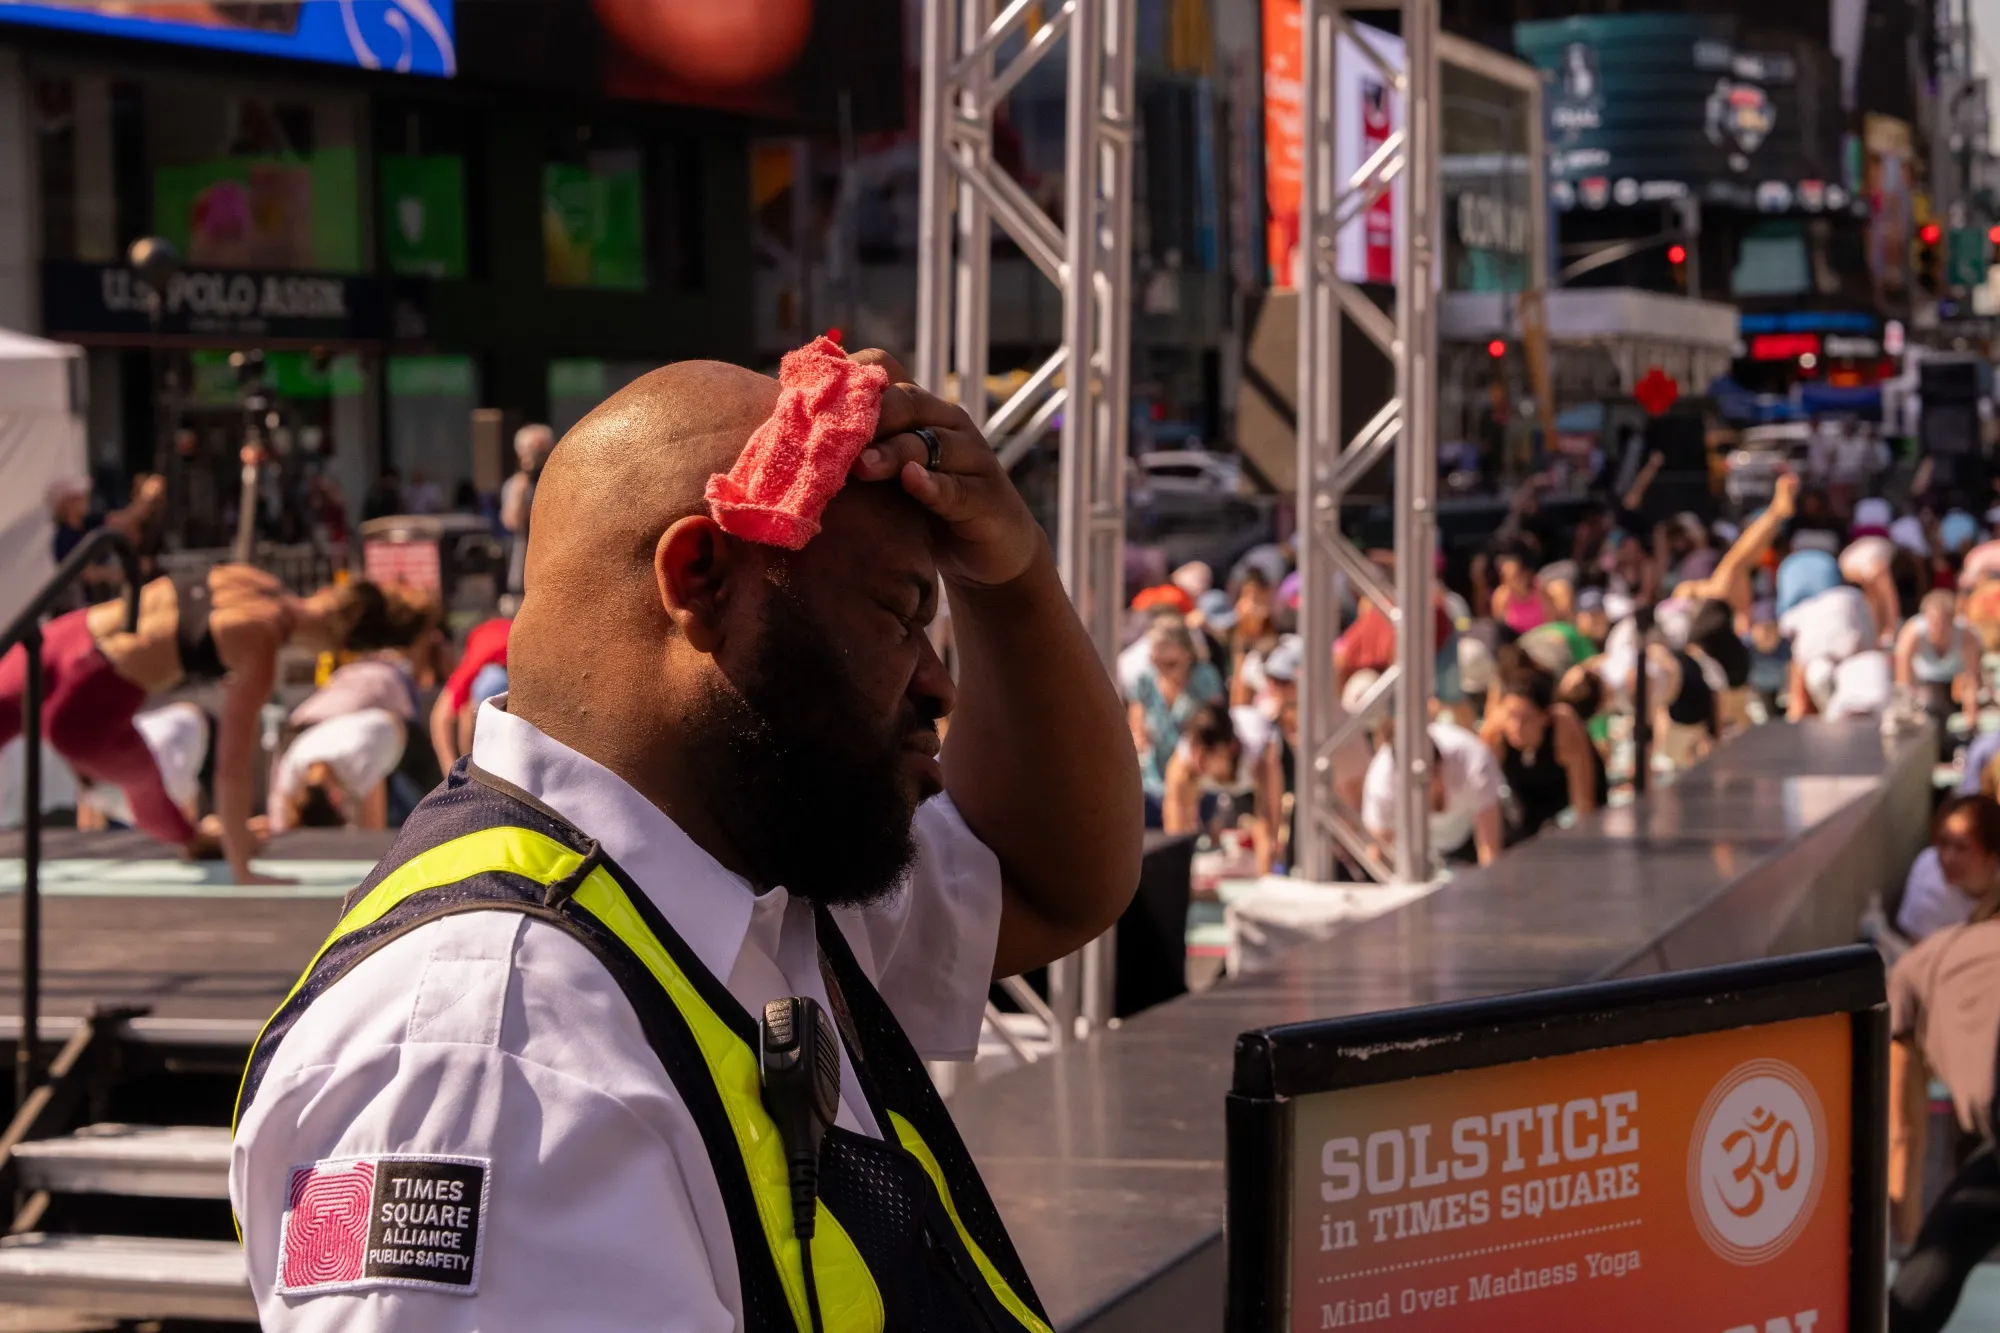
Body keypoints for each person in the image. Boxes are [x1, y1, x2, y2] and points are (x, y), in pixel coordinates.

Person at [231, 348, 1141, 1331]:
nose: (936, 683)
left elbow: (1048, 878)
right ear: (700, 578)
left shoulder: (732, 883)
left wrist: (1004, 574)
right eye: (897, 614)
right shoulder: (493, 1058)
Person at [0, 566, 430, 883]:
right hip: (90, 703)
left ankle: (198, 838)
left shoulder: (246, 577)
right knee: (148, 789)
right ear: (344, 643)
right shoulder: (262, 642)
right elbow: (232, 768)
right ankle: (196, 840)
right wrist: (243, 866)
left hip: (64, 637)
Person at [1888, 797, 2000, 1332]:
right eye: (1944, 845)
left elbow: (1903, 1133)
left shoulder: (1916, 968)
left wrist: (1905, 1245)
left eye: (1965, 846)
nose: (1949, 858)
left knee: (1912, 1301)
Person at [1481, 665, 1604, 844]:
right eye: (1511, 716)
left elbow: (1583, 803)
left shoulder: (1563, 728)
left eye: (1527, 719)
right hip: (1528, 801)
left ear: (1544, 717)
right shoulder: (1495, 734)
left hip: (1564, 794)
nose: (1517, 728)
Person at [1360, 720, 1505, 868]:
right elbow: (1378, 853)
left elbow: (1490, 850)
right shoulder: (1380, 783)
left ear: (1439, 768)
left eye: (1424, 783)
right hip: (1416, 853)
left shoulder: (1474, 763)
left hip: (1469, 837)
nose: (1419, 794)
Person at [1128, 618, 1224, 825]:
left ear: (1188, 655)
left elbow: (1216, 732)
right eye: (1155, 663)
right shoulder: (1145, 680)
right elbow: (1136, 730)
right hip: (1152, 784)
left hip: (1197, 783)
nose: (1162, 671)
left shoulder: (1205, 679)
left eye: (1170, 664)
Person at [428, 616, 512, 775]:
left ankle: (471, 776)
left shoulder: (478, 655)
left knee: (472, 703)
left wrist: (450, 777)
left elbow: (439, 718)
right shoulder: (489, 636)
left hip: (504, 676)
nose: (446, 678)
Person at [1895, 589, 1980, 737]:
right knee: (1932, 706)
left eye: (1941, 623)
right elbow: (1903, 682)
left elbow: (1972, 679)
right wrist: (1909, 713)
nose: (1936, 628)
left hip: (1954, 683)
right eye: (1932, 621)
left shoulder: (1967, 636)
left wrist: (1971, 718)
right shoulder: (1912, 634)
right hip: (1925, 684)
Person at [501, 423, 554, 609]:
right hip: (523, 561)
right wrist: (522, 486)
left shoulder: (559, 481)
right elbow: (511, 521)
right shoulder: (515, 485)